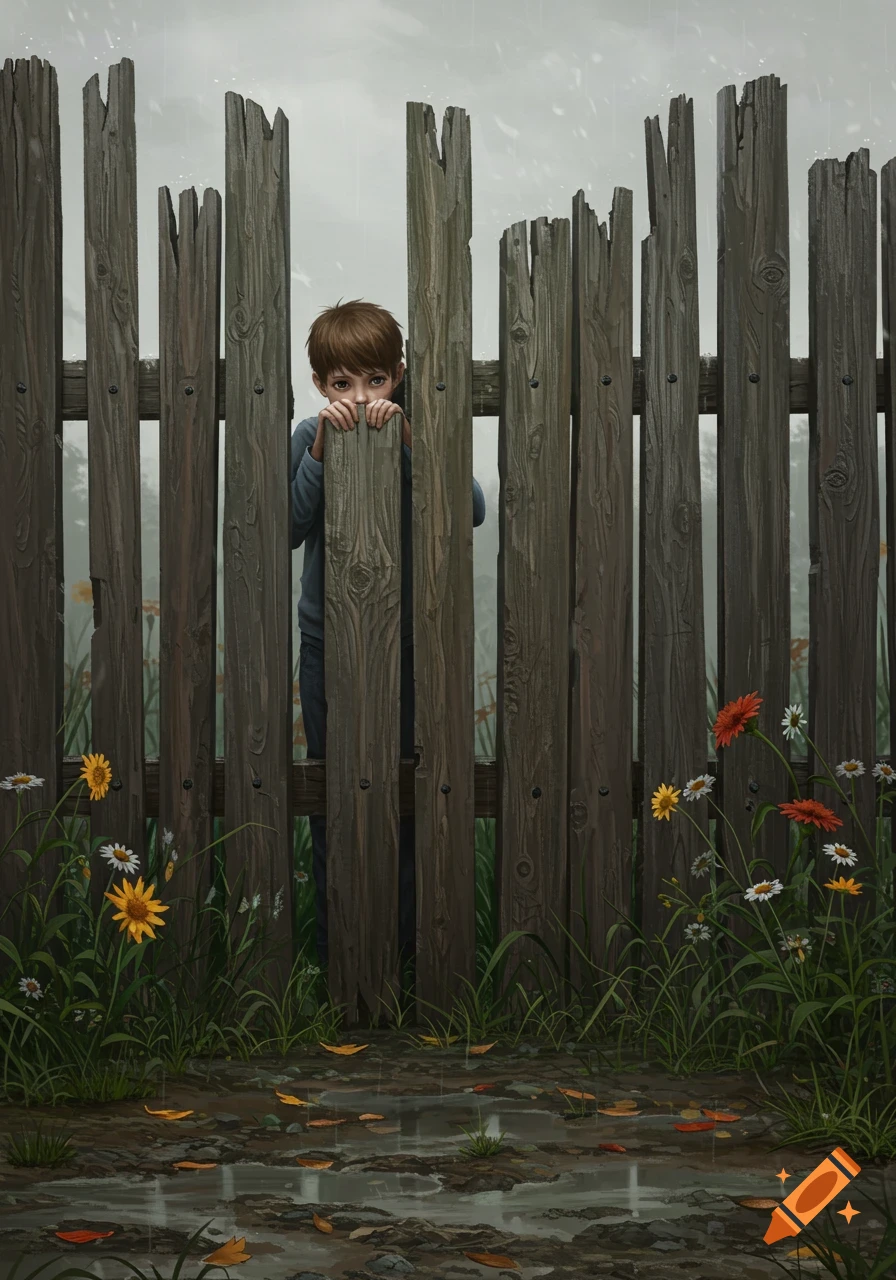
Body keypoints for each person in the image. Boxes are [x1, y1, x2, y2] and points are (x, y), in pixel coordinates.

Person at [290, 297, 487, 981]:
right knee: (331, 796)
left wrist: (408, 443)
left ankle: (404, 963)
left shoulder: (416, 432)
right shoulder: (307, 436)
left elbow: (471, 510)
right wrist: (318, 451)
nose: (360, 397)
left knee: (407, 795)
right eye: (343, 384)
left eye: (374, 380)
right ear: (321, 385)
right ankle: (334, 958)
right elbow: (286, 525)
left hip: (410, 645)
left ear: (397, 376)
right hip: (328, 643)